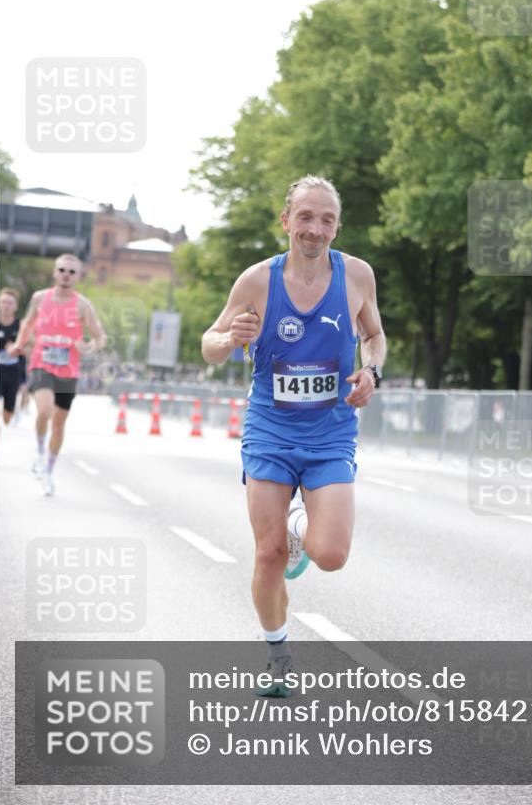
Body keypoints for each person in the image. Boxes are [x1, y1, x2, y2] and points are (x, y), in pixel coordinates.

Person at [202, 175, 386, 695]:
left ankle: (300, 524)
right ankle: (278, 654)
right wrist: (227, 337)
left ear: (337, 227)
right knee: (267, 555)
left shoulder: (356, 276)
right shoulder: (258, 281)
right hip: (270, 432)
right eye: (305, 217)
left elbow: (373, 335)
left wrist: (371, 372)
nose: (315, 229)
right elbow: (210, 343)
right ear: (286, 221)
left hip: (330, 433)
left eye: (326, 219)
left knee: (330, 555)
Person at [9, 253, 107, 496]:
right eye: (62, 270)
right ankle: (40, 452)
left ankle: (49, 470)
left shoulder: (83, 305)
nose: (66, 275)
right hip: (42, 364)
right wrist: (19, 344)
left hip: (68, 370)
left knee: (60, 424)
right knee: (44, 410)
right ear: (54, 272)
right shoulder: (40, 298)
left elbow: (99, 337)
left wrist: (89, 347)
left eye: (71, 272)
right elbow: (28, 324)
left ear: (78, 277)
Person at [0, 288, 23, 463]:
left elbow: (31, 347)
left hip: (13, 374)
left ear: (15, 307)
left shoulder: (21, 327)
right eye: (3, 302)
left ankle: (12, 411)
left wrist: (17, 349)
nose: (6, 306)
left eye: (9, 303)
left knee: (6, 417)